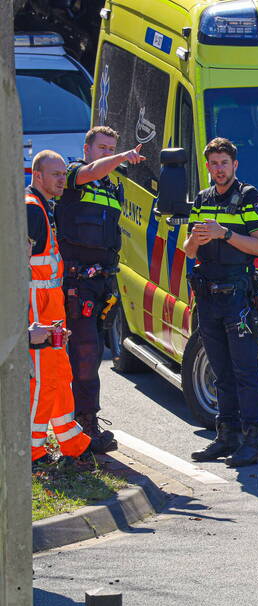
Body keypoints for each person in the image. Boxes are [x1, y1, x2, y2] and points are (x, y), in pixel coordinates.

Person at [55, 126, 145, 453]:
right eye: (103, 148)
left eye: (112, 148)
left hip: (102, 283)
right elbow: (90, 171)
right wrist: (123, 157)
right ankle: (84, 427)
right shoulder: (74, 174)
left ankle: (82, 423)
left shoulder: (111, 187)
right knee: (85, 352)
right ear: (87, 148)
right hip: (76, 283)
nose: (108, 153)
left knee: (91, 355)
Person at [184, 138, 258, 468]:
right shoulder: (203, 199)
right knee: (220, 371)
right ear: (207, 167)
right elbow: (189, 251)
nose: (219, 169)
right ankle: (226, 435)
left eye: (224, 163)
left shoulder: (248, 197)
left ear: (235, 165)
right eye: (214, 163)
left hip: (238, 296)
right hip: (208, 296)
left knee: (245, 369)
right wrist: (196, 239)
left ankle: (252, 441)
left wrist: (225, 234)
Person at [26, 150, 95, 469]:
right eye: (55, 174)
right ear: (37, 175)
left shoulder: (43, 207)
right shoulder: (32, 211)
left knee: (57, 376)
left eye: (62, 173)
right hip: (36, 312)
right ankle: (30, 453)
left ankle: (72, 443)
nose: (61, 180)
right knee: (41, 381)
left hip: (49, 310)